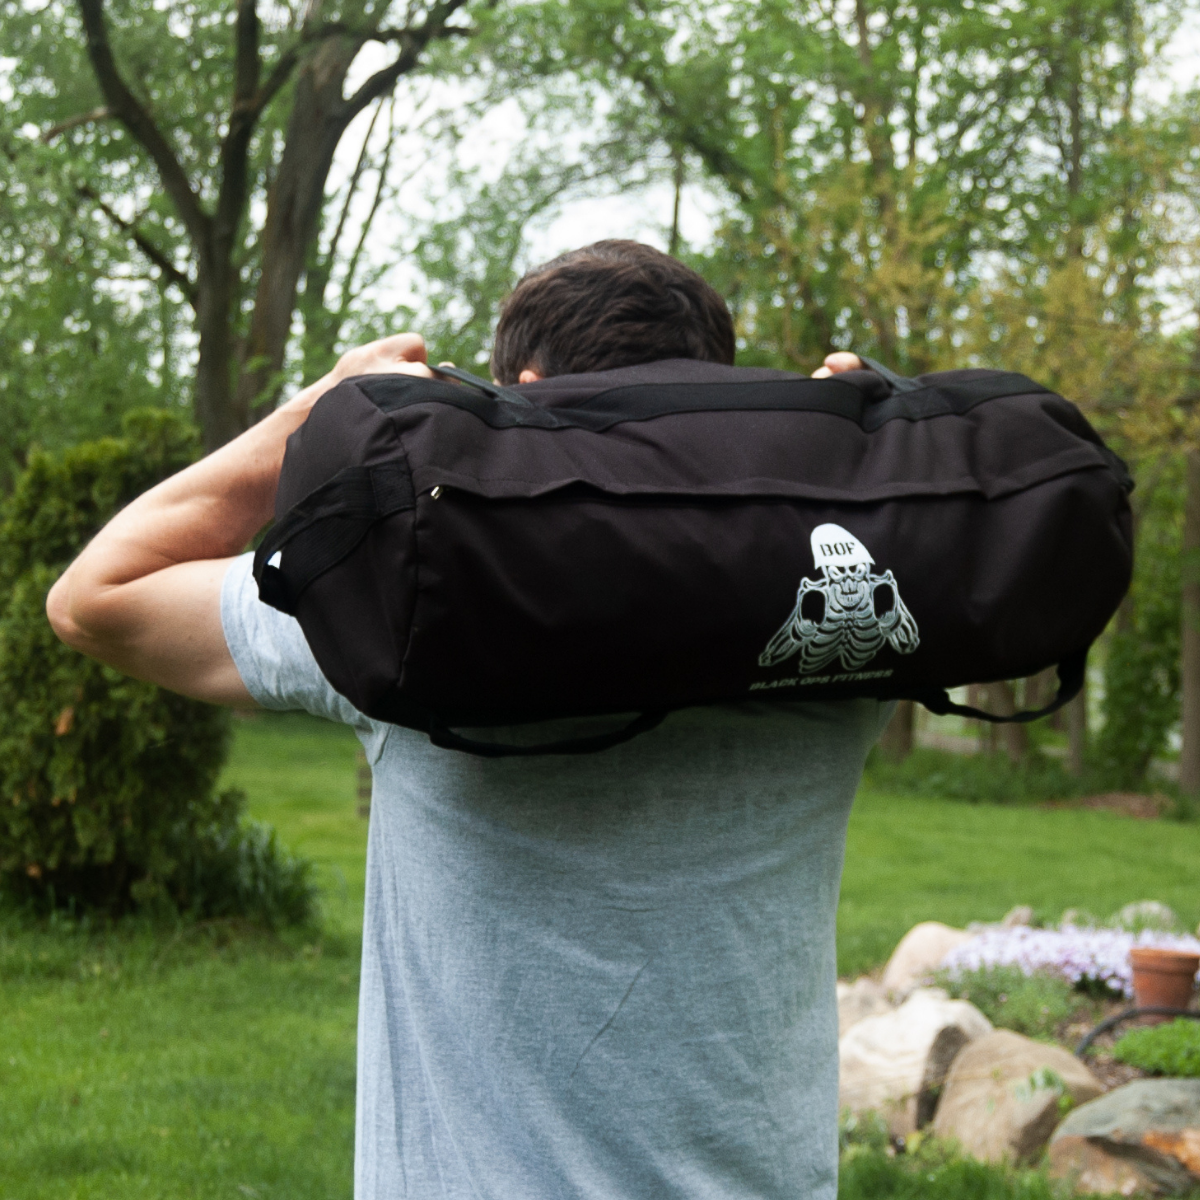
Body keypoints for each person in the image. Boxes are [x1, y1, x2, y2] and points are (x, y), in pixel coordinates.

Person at [48, 240, 886, 1199]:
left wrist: (312, 413)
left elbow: (95, 597)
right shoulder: (829, 613)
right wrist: (849, 453)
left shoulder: (409, 602)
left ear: (524, 394)